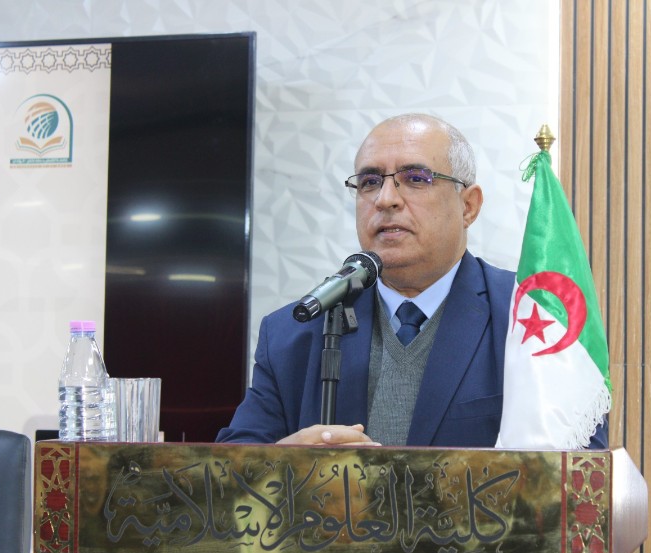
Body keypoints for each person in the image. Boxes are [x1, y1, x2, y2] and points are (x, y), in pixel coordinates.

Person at [216, 113, 608, 448]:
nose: (385, 198)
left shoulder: (530, 321)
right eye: (369, 182)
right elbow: (226, 475)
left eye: (416, 178)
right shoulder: (293, 333)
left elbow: (581, 479)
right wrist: (283, 463)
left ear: (468, 206)